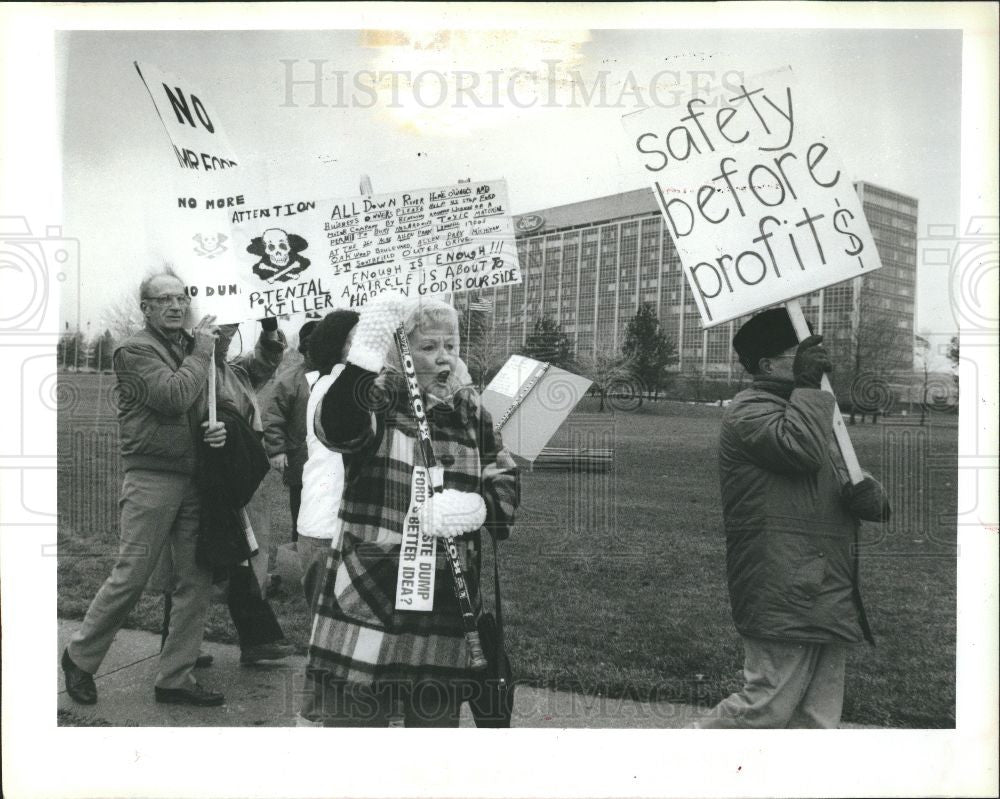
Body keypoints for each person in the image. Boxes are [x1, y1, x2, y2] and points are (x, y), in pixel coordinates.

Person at [301, 296, 520, 727]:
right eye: (428, 347)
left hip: (446, 602)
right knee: (356, 734)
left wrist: (479, 507)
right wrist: (362, 359)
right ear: (402, 350)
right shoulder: (378, 398)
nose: (443, 357)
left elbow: (506, 479)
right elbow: (337, 427)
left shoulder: (472, 411)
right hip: (371, 592)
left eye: (450, 346)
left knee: (432, 743)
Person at [695, 308, 890, 729]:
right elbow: (798, 451)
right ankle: (668, 767)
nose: (818, 364)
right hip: (783, 583)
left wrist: (870, 493)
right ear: (766, 365)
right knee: (764, 706)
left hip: (827, 584)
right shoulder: (749, 411)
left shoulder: (810, 407)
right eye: (799, 356)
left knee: (816, 719)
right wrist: (807, 385)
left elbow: (834, 473)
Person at [61, 270, 227, 707]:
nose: (176, 305)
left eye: (181, 297)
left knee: (196, 577)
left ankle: (175, 677)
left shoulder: (187, 347)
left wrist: (213, 431)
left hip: (192, 477)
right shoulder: (134, 349)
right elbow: (172, 397)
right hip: (152, 476)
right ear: (146, 308)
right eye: (164, 299)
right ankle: (79, 656)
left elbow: (197, 403)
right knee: (132, 574)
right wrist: (204, 349)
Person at [157, 318, 296, 666]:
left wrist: (268, 331)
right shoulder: (195, 369)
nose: (228, 335)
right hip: (215, 473)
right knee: (216, 554)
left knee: (231, 552)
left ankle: (184, 642)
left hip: (241, 471)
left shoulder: (233, 370)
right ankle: (251, 638)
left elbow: (265, 361)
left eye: (233, 329)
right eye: (221, 329)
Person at [292, 310, 358, 611]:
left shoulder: (329, 383)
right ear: (337, 345)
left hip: (326, 525)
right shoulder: (338, 387)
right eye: (356, 340)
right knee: (332, 629)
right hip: (329, 529)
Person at [263, 320, 319, 545]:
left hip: (335, 463)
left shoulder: (341, 375)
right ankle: (299, 559)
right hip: (301, 460)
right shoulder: (291, 379)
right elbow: (273, 416)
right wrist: (276, 450)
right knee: (303, 512)